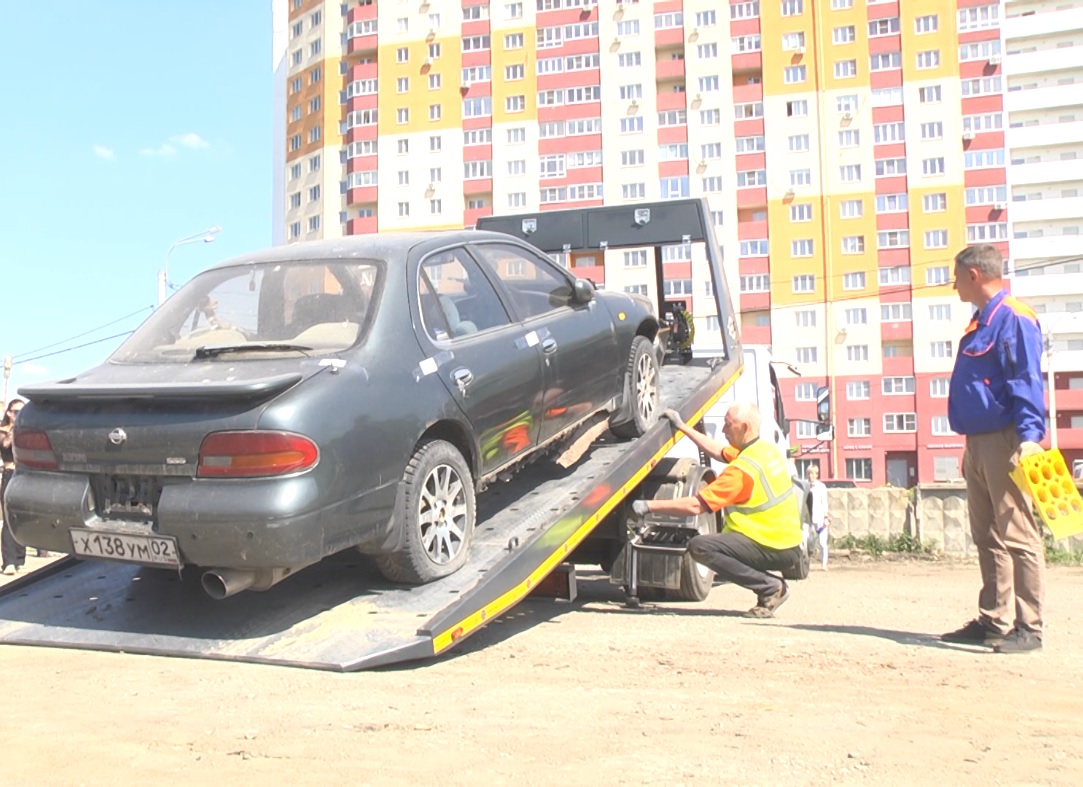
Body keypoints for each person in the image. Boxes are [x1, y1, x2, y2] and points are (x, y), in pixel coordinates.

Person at [941, 244, 1046, 654]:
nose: (953, 286)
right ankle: (994, 619)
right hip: (979, 442)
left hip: (1006, 440)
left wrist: (1030, 439)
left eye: (955, 277)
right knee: (987, 534)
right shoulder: (980, 321)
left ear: (973, 275)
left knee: (1018, 533)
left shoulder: (1014, 318)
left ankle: (1030, 626)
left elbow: (1026, 380)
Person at [631, 403, 802, 618]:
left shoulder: (741, 472)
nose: (723, 430)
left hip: (771, 544)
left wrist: (648, 506)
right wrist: (683, 427)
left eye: (728, 425)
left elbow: (696, 505)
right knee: (712, 544)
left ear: (745, 427)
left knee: (701, 547)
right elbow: (719, 451)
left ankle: (770, 587)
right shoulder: (764, 451)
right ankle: (770, 587)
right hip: (787, 543)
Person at [1, 398, 26, 575]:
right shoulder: (3, 431)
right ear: (9, 413)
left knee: (22, 518)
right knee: (9, 519)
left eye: (21, 412)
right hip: (10, 474)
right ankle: (8, 561)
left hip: (25, 476)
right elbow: (5, 445)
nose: (18, 415)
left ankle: (19, 559)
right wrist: (13, 429)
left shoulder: (27, 430)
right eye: (16, 411)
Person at [807, 465, 830, 571]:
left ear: (817, 474)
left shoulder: (821, 487)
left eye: (812, 473)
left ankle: (824, 563)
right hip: (808, 519)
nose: (810, 476)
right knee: (808, 542)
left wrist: (826, 517)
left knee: (822, 542)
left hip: (820, 517)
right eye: (809, 473)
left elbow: (824, 503)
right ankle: (807, 563)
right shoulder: (805, 486)